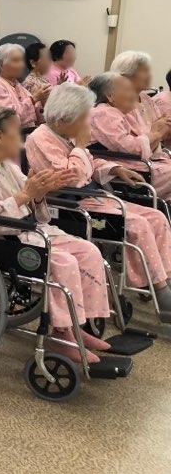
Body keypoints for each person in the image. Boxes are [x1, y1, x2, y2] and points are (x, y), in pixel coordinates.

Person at [0, 106, 113, 361]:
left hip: (24, 229)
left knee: (88, 251)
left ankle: (78, 325)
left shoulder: (6, 163)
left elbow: (32, 204)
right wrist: (27, 194)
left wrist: (40, 193)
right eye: (17, 132)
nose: (22, 138)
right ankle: (62, 335)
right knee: (64, 262)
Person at [27, 84, 171, 322]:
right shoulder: (40, 139)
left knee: (157, 217)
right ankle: (161, 291)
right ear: (63, 119)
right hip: (70, 203)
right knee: (137, 224)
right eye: (83, 118)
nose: (87, 124)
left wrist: (115, 168)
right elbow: (70, 177)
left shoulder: (64, 134)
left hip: (92, 196)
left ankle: (164, 278)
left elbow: (90, 163)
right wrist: (80, 148)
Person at [88, 71, 171, 200]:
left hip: (143, 164)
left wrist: (157, 133)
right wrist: (156, 133)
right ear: (110, 96)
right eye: (128, 90)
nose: (134, 95)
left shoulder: (120, 113)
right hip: (125, 170)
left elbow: (147, 147)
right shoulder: (104, 113)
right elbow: (129, 148)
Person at [110, 50, 166, 143]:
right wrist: (156, 132)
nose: (150, 75)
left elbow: (162, 127)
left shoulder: (147, 99)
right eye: (145, 71)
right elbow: (129, 143)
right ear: (126, 75)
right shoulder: (118, 102)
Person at [0, 43, 42, 127]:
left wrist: (43, 100)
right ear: (2, 65)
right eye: (16, 60)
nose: (22, 65)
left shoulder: (16, 84)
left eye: (22, 60)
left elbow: (37, 112)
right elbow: (8, 118)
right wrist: (33, 99)